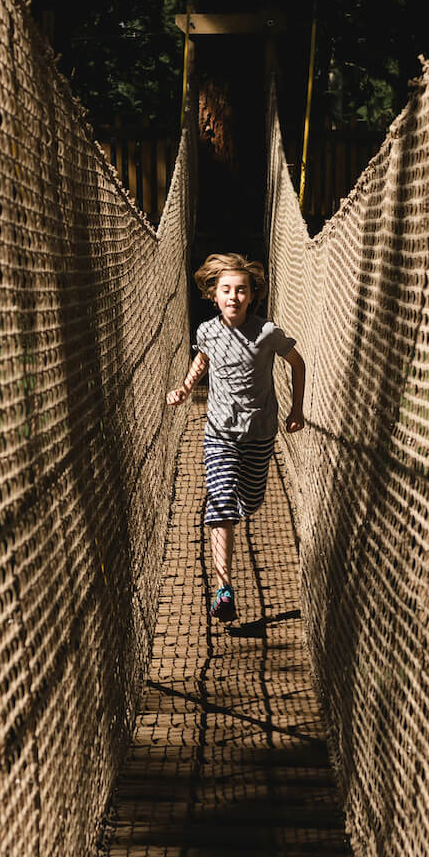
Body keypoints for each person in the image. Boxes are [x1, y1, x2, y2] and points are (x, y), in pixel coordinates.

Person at [167, 253, 305, 623]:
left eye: (240, 290)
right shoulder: (207, 332)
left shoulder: (267, 333)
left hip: (259, 433)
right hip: (219, 433)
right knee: (221, 503)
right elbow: (203, 359)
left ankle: (236, 511)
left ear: (251, 295)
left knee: (251, 500)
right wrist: (184, 388)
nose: (233, 296)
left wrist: (296, 409)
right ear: (214, 294)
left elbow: (297, 363)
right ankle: (223, 589)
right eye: (226, 290)